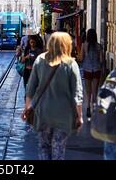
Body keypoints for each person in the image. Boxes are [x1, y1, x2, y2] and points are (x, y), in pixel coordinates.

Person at [22, 32, 83, 160]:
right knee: (58, 149)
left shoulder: (40, 60)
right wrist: (79, 116)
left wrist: (28, 107)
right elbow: (77, 93)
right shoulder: (71, 64)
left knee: (44, 147)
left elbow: (30, 88)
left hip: (43, 113)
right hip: (63, 115)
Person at [79, 29, 103, 121]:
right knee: (95, 90)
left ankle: (88, 106)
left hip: (87, 69)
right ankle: (94, 107)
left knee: (88, 91)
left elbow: (81, 57)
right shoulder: (99, 46)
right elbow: (101, 60)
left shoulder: (84, 45)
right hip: (96, 69)